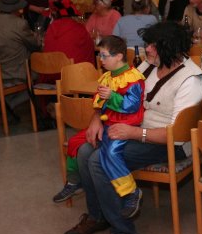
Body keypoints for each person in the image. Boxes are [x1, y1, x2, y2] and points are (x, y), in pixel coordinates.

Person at [63, 21, 202, 234]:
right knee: (85, 150)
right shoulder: (149, 65)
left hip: (168, 143)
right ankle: (98, 216)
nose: (146, 49)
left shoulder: (191, 80)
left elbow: (175, 133)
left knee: (98, 161)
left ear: (169, 48)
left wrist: (134, 134)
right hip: (133, 131)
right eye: (147, 43)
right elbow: (115, 94)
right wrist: (96, 118)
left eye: (153, 45)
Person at [54, 36, 147, 212]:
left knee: (110, 152)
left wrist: (111, 96)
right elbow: (98, 101)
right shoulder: (107, 77)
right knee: (74, 142)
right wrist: (100, 103)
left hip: (125, 125)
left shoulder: (133, 78)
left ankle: (131, 191)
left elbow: (133, 106)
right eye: (100, 55)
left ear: (119, 56)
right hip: (107, 123)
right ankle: (74, 181)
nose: (101, 60)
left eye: (104, 56)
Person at [0, 0, 41, 125]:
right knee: (43, 78)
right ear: (17, 7)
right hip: (17, 70)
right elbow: (34, 46)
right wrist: (37, 38)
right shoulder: (20, 23)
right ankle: (10, 103)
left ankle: (6, 102)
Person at [43, 0, 95, 71]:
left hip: (51, 74)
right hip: (75, 75)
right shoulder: (78, 28)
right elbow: (90, 49)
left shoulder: (49, 30)